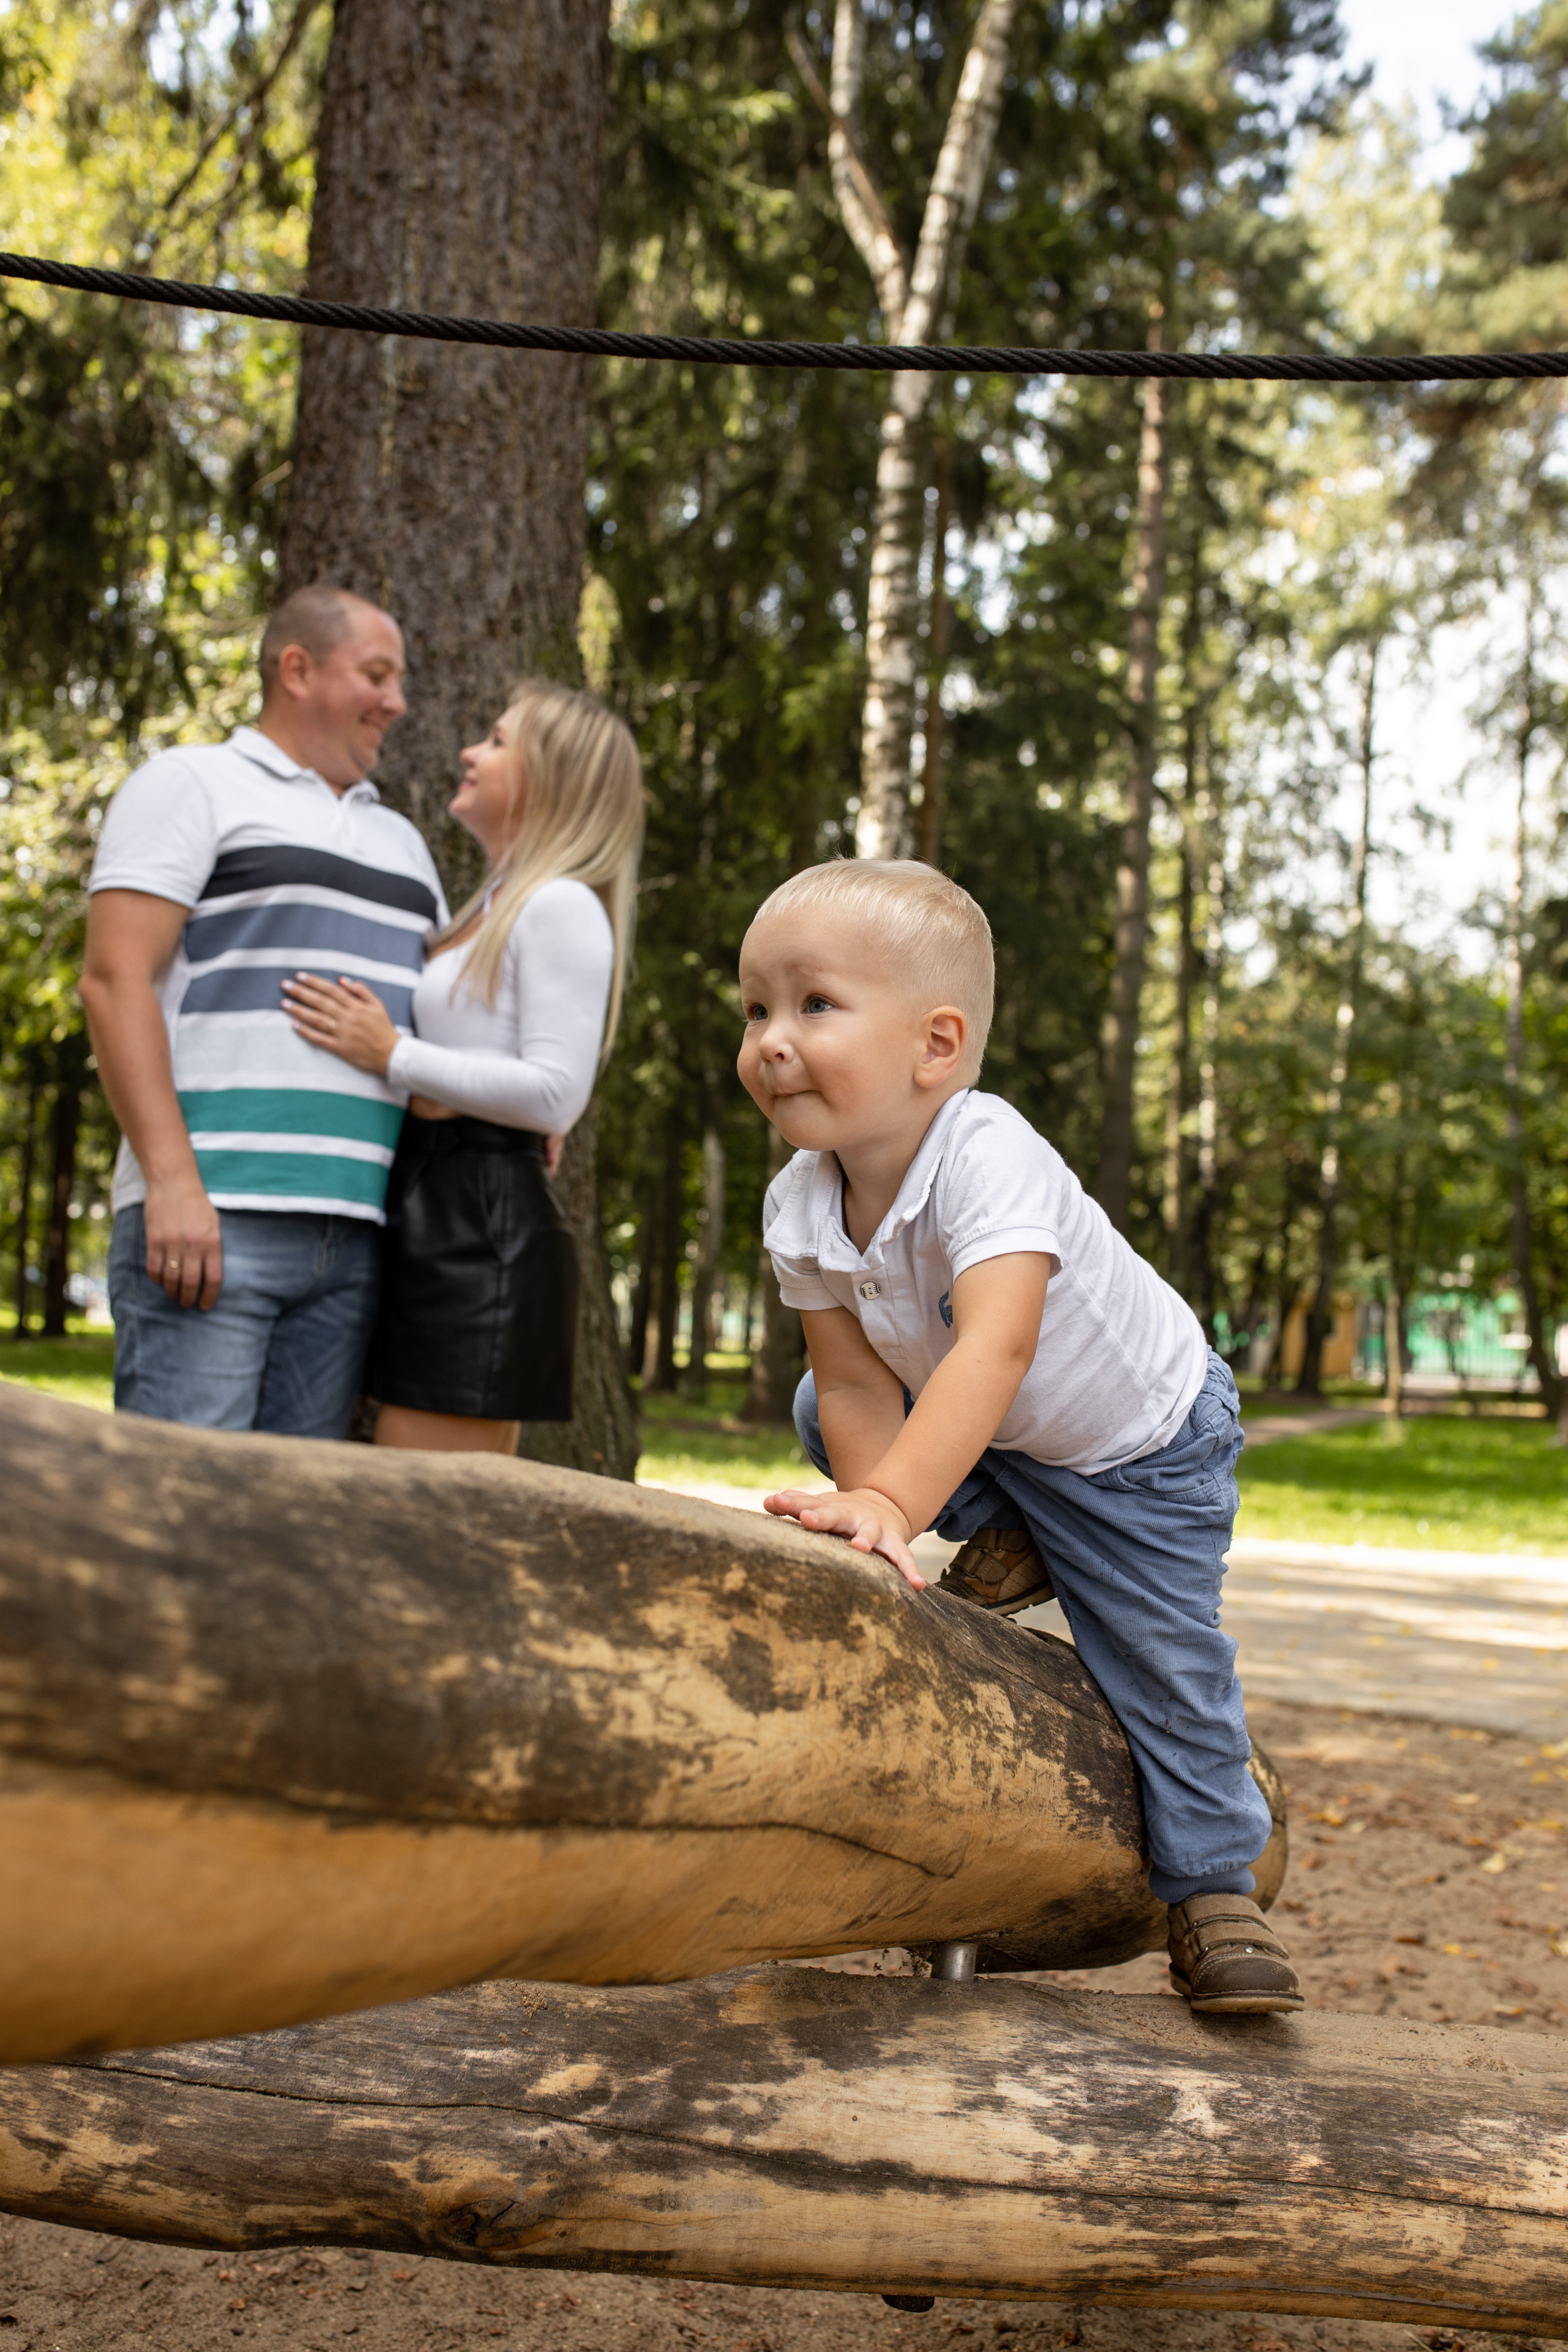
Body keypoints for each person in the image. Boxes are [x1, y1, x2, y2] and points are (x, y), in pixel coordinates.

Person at [736, 858, 1302, 2018]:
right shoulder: (801, 1198)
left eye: (814, 1005)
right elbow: (847, 1379)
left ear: (935, 1046)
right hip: (1006, 1432)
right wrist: (873, 1531)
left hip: (1139, 1446)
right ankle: (1012, 1528)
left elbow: (995, 1349)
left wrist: (898, 1498)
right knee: (815, 1412)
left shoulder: (987, 1153)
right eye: (755, 1010)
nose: (771, 1041)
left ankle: (1212, 1888)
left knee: (1156, 1654)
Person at [81, 586, 447, 1437]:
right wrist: (172, 1183)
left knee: (289, 1534)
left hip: (355, 1237)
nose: (396, 702)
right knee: (185, 1517)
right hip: (209, 1219)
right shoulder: (191, 783)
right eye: (377, 674)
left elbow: (438, 1016)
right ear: (297, 669)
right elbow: (113, 980)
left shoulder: (403, 843)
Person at [281, 679, 643, 1455]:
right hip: (430, 1198)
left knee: (422, 1522)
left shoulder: (559, 905)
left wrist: (392, 1055)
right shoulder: (490, 903)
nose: (469, 752)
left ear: (549, 778)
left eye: (499, 741)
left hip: (478, 1230)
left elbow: (552, 1095)